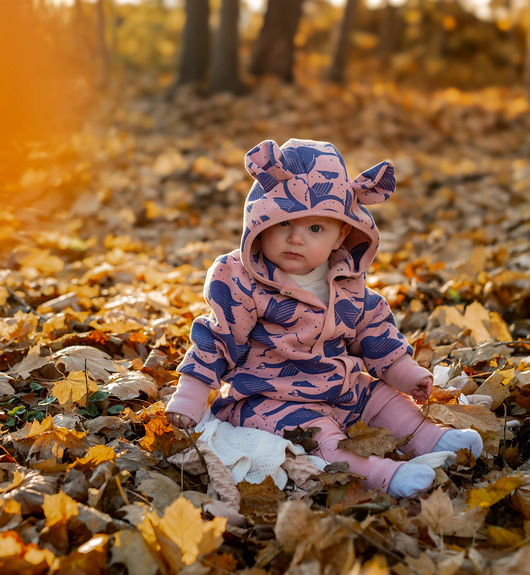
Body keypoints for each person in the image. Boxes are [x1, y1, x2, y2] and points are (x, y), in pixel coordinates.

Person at [166, 139, 482, 498]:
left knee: (384, 400)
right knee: (319, 439)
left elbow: (373, 332)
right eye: (284, 222)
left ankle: (433, 440)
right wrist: (191, 394)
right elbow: (216, 338)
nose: (296, 238)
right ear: (258, 221)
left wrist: (405, 373)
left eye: (315, 228)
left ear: (341, 234)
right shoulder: (241, 280)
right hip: (271, 398)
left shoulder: (346, 280)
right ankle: (382, 476)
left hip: (340, 385)